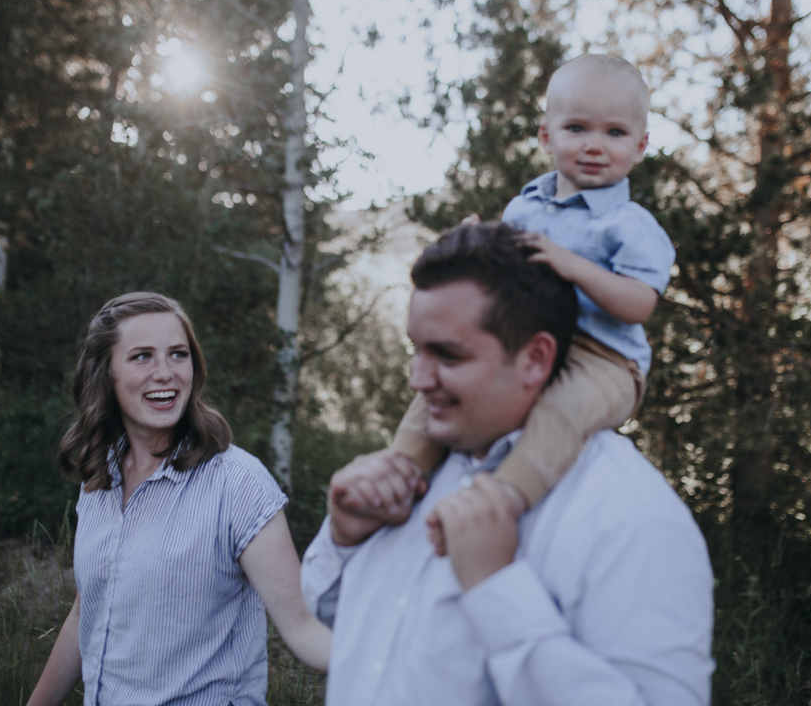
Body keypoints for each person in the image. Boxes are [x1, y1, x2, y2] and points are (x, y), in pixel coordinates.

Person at [302, 222, 714, 706]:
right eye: (416, 349)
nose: (417, 379)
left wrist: (497, 590)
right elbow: (345, 628)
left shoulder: (632, 518)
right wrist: (345, 539)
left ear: (536, 358)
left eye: (448, 356)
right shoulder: (408, 474)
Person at [382, 54, 676, 523]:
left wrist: (573, 266)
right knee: (438, 388)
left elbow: (639, 305)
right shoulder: (526, 207)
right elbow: (502, 271)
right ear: (546, 136)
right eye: (577, 128)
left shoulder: (631, 226)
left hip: (604, 357)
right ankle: (397, 473)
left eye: (615, 133)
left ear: (640, 146)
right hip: (525, 341)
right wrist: (471, 240)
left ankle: (500, 501)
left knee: (562, 411)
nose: (595, 145)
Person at [27, 292, 329, 706]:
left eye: (178, 354)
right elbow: (90, 611)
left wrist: (412, 655)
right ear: (106, 373)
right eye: (142, 357)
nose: (166, 373)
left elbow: (304, 627)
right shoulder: (99, 479)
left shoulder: (238, 483)